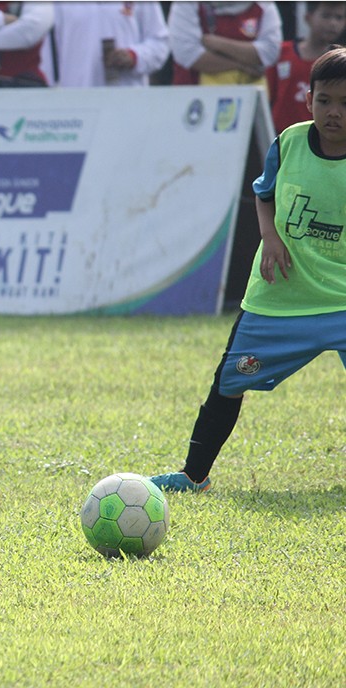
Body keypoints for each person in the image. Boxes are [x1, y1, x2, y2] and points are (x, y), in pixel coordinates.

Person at [150, 47, 346, 493]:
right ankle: (193, 475)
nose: (333, 113)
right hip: (281, 295)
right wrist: (271, 239)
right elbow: (264, 194)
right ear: (309, 98)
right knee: (228, 382)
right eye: (325, 101)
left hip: (343, 298)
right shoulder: (289, 143)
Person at [41, 2, 169, 87]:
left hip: (128, 103)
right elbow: (47, 57)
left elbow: (160, 43)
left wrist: (134, 56)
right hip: (77, 105)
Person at [266, 3, 346, 134]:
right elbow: (268, 97)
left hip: (322, 138)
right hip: (279, 135)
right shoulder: (281, 52)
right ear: (308, 17)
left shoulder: (341, 63)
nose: (333, 23)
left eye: (339, 17)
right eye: (326, 16)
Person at [168, 2, 282, 86]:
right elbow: (188, 54)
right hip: (193, 101)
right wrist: (242, 66)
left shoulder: (263, 4)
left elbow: (270, 51)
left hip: (250, 99)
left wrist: (220, 44)